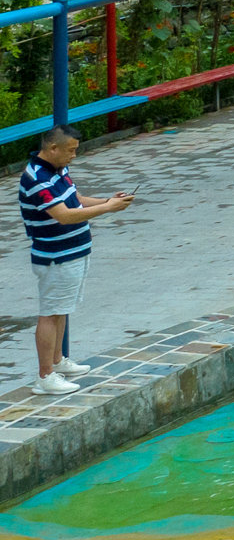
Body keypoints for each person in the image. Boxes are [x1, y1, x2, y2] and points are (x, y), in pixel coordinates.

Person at [20, 127, 130, 395]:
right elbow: (64, 215)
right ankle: (45, 376)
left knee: (62, 308)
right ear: (53, 148)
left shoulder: (59, 169)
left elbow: (76, 200)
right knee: (50, 311)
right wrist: (107, 209)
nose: (74, 155)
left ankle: (58, 361)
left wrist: (108, 200)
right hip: (55, 257)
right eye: (70, 150)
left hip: (74, 250)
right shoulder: (37, 178)